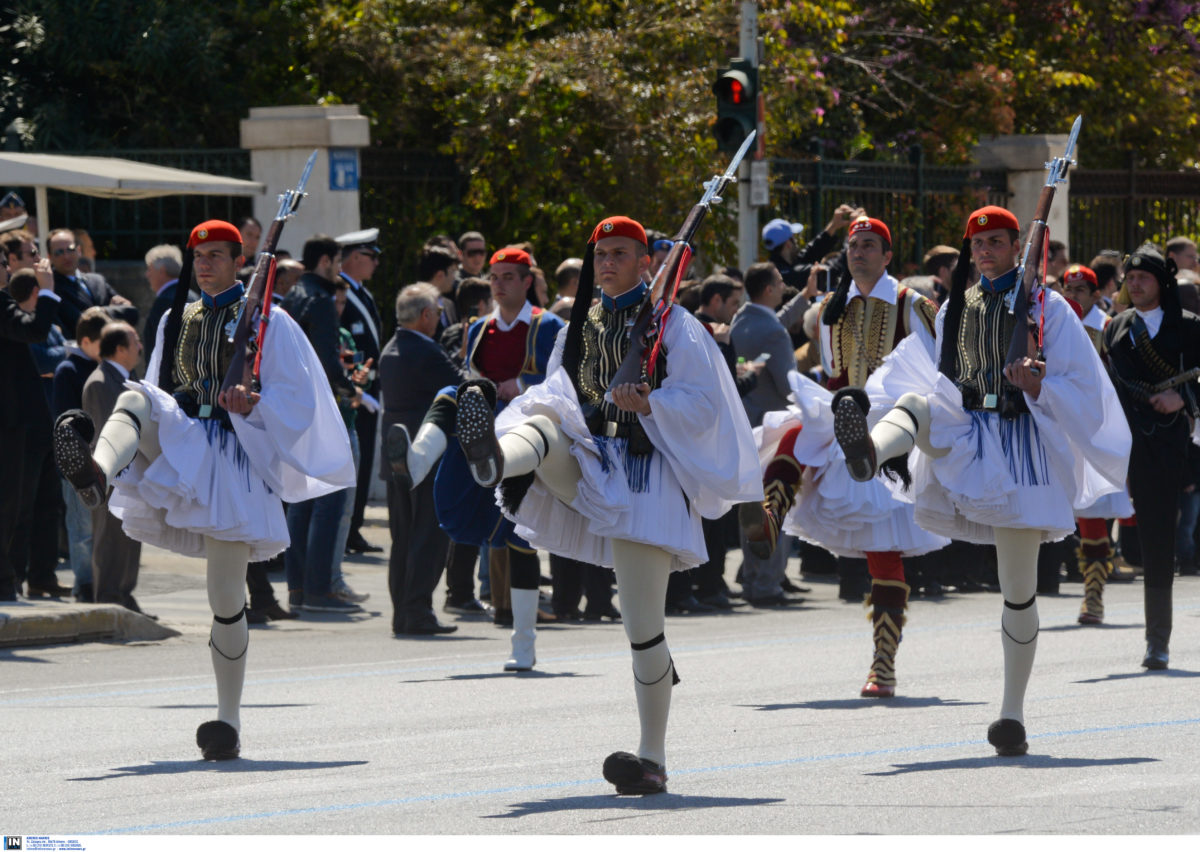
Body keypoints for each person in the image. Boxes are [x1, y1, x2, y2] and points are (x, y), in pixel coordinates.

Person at [454, 215, 760, 793]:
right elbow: (559, 391)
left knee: (641, 628)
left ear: (647, 261)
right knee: (542, 417)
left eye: (620, 254)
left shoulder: (675, 324)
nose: (608, 264)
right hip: (592, 462)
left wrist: (651, 404)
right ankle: (494, 457)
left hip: (646, 477)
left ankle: (652, 757)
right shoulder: (582, 322)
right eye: (600, 255)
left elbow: (705, 405)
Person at [832, 205, 1129, 755]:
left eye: (997, 242)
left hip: (1021, 444)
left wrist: (1040, 384)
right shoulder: (956, 308)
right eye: (979, 244)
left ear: (1018, 246)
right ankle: (870, 453)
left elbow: (1082, 382)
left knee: (1017, 590)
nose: (987, 251)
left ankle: (1011, 715)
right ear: (969, 252)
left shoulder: (1048, 306)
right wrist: (869, 400)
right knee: (917, 403)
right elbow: (927, 366)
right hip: (967, 426)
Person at [53, 219, 353, 760]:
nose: (206, 264)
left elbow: (300, 398)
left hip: (237, 457)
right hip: (188, 435)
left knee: (225, 598)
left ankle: (228, 720)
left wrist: (255, 401)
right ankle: (95, 471)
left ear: (240, 262)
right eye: (199, 256)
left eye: (217, 255)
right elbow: (167, 386)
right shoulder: (176, 317)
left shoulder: (270, 323)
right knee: (138, 399)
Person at [741, 216, 948, 698]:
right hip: (844, 412)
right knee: (788, 432)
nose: (858, 253)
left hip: (891, 427)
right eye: (853, 246)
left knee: (883, 549)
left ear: (888, 255)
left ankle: (883, 663)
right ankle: (770, 519)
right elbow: (831, 372)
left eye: (870, 246)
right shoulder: (831, 307)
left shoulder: (912, 304)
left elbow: (938, 368)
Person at [1103, 244, 1200, 669]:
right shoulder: (1116, 328)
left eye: (1144, 277)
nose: (1135, 283)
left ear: (1161, 282)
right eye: (1130, 277)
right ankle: (1157, 641)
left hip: (1186, 442)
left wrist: (1183, 397)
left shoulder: (1191, 328)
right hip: (1139, 447)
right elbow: (1108, 389)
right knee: (1155, 540)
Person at [378, 283, 469, 635]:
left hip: (396, 455)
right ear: (426, 315)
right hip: (425, 455)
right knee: (430, 536)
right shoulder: (426, 351)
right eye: (437, 312)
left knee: (403, 537)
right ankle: (417, 610)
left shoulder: (391, 348)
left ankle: (404, 611)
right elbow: (461, 387)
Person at [1061, 263, 1133, 624]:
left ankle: (1093, 595)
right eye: (1067, 290)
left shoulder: (1108, 328)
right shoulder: (1054, 325)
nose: (1072, 296)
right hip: (1061, 427)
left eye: (1079, 290)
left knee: (1092, 517)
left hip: (1097, 430)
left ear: (1094, 295)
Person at [0, 257, 62, 602]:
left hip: (15, 421)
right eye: (2, 264)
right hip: (8, 422)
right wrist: (48, 292)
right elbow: (34, 330)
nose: (7, 271)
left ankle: (7, 579)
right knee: (11, 504)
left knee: (15, 504)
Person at [81, 322, 146, 613]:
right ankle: (108, 597)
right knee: (109, 539)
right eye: (134, 342)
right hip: (112, 477)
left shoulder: (128, 380)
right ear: (120, 349)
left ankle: (124, 593)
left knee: (130, 537)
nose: (139, 347)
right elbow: (106, 434)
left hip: (132, 475)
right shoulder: (99, 381)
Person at [335, 228, 385, 555]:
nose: (376, 263)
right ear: (354, 257)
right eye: (372, 256)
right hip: (353, 391)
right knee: (354, 460)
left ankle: (354, 527)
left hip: (368, 388)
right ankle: (348, 529)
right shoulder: (340, 292)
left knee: (364, 460)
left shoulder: (361, 292)